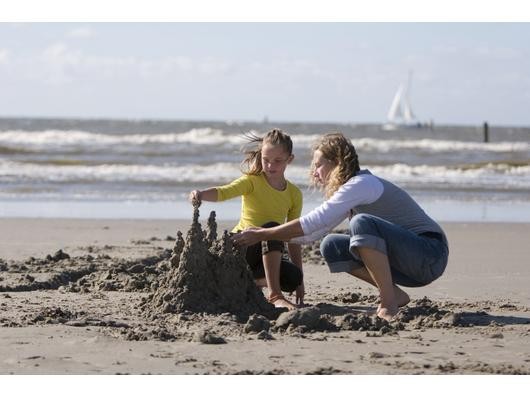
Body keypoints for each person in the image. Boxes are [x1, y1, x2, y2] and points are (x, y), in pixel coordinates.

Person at [232, 132, 449, 321]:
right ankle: (394, 293)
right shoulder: (351, 192)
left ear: (337, 162)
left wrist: (265, 233)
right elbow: (313, 234)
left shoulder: (362, 184)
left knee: (361, 223)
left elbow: (313, 221)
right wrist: (270, 238)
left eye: (318, 165)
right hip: (407, 264)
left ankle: (388, 304)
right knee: (331, 244)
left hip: (429, 255)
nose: (315, 172)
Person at [188, 129, 304, 310]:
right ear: (261, 156)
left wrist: (301, 282)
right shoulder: (252, 181)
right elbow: (224, 191)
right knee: (271, 229)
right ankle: (274, 295)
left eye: (278, 161)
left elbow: (293, 235)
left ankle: (245, 281)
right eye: (266, 160)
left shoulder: (294, 194)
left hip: (264, 254)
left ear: (290, 159)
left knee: (293, 277)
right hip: (242, 245)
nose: (270, 165)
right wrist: (201, 194)